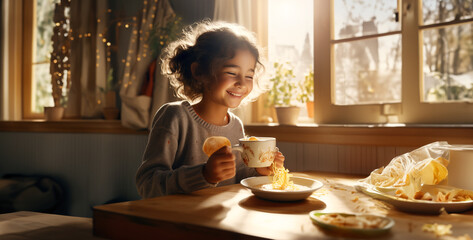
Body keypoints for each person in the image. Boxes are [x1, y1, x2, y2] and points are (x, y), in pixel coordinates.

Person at [135, 20, 285, 198]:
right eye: (231, 73)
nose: (242, 83)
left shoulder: (235, 125)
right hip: (177, 221)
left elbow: (237, 177)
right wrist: (203, 175)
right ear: (199, 72)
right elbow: (147, 184)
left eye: (249, 75)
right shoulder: (174, 117)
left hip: (220, 221)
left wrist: (261, 171)